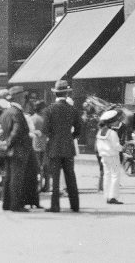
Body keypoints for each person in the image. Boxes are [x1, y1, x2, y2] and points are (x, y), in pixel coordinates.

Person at [42, 79, 82, 213]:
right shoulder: (72, 110)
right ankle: (75, 205)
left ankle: (55, 205)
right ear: (66, 94)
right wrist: (71, 136)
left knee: (56, 178)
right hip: (69, 147)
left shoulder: (49, 110)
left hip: (54, 147)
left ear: (55, 94)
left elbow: (45, 130)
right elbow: (79, 129)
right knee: (71, 176)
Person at [0, 85, 40, 211]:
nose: (24, 99)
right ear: (17, 98)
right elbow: (16, 131)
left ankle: (7, 204)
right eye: (23, 97)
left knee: (9, 178)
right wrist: (10, 143)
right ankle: (16, 205)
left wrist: (6, 145)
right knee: (17, 178)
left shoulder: (6, 112)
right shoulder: (17, 113)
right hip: (19, 150)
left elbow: (3, 131)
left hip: (10, 150)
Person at [96, 110, 124, 205]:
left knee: (107, 175)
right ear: (112, 121)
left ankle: (107, 195)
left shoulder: (100, 132)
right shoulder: (112, 133)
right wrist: (122, 148)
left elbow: (98, 146)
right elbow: (116, 146)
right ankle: (113, 197)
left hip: (104, 157)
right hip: (113, 156)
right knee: (115, 176)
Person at [29, 100, 49, 192]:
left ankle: (37, 186)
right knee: (45, 167)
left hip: (35, 144)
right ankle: (46, 185)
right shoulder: (45, 118)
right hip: (44, 144)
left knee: (36, 167)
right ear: (41, 108)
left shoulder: (31, 118)